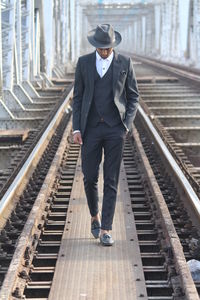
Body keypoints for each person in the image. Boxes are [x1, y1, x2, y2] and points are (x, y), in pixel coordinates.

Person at [72, 24, 139, 246]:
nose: (104, 51)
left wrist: (126, 125)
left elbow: (133, 97)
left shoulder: (125, 63)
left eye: (107, 48)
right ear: (96, 46)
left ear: (112, 45)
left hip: (114, 130)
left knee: (111, 179)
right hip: (90, 128)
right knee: (90, 176)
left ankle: (106, 229)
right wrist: (76, 128)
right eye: (101, 48)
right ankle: (94, 216)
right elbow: (78, 97)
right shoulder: (84, 63)